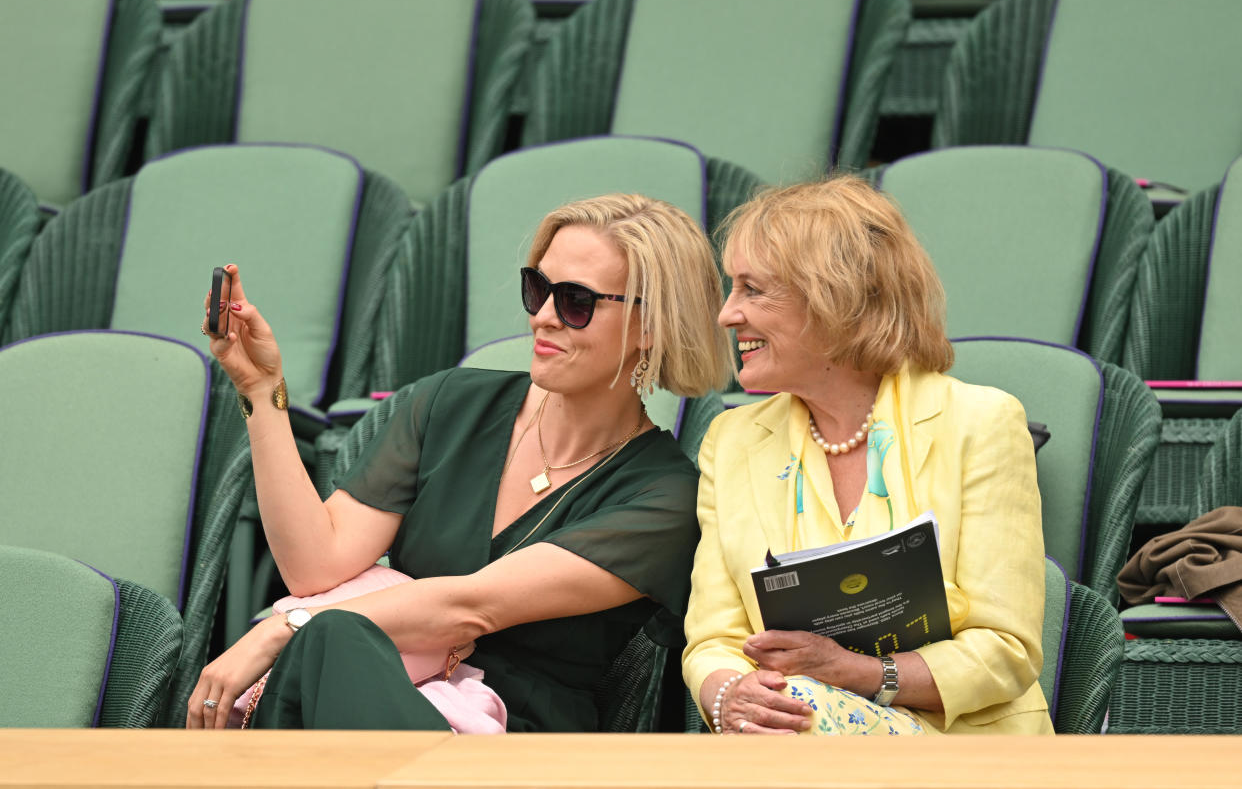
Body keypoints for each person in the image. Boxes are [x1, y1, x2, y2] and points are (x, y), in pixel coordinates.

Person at [190, 193, 733, 731]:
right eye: (538, 289)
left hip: (507, 743)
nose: (543, 318)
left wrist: (287, 626)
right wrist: (262, 392)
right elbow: (316, 566)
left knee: (333, 640)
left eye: (576, 301)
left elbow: (471, 608)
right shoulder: (452, 403)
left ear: (652, 326)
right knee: (333, 648)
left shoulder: (663, 495)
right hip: (366, 691)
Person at [682, 176, 1053, 735]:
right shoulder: (730, 440)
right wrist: (730, 695)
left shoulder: (981, 423)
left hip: (963, 749)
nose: (727, 315)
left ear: (836, 297)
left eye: (753, 290)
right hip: (792, 733)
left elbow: (1006, 649)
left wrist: (852, 672)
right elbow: (712, 639)